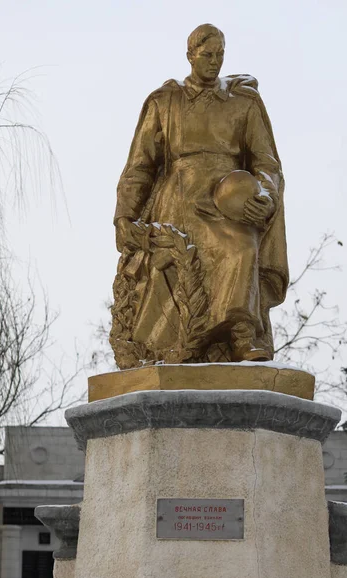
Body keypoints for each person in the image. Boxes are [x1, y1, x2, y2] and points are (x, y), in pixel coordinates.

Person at [112, 23, 288, 367]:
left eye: (220, 54)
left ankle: (241, 333)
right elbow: (140, 165)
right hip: (178, 199)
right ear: (190, 55)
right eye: (207, 55)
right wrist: (124, 215)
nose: (214, 61)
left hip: (228, 199)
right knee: (190, 249)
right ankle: (188, 339)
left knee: (242, 246)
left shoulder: (243, 102)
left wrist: (265, 195)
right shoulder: (165, 101)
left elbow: (267, 161)